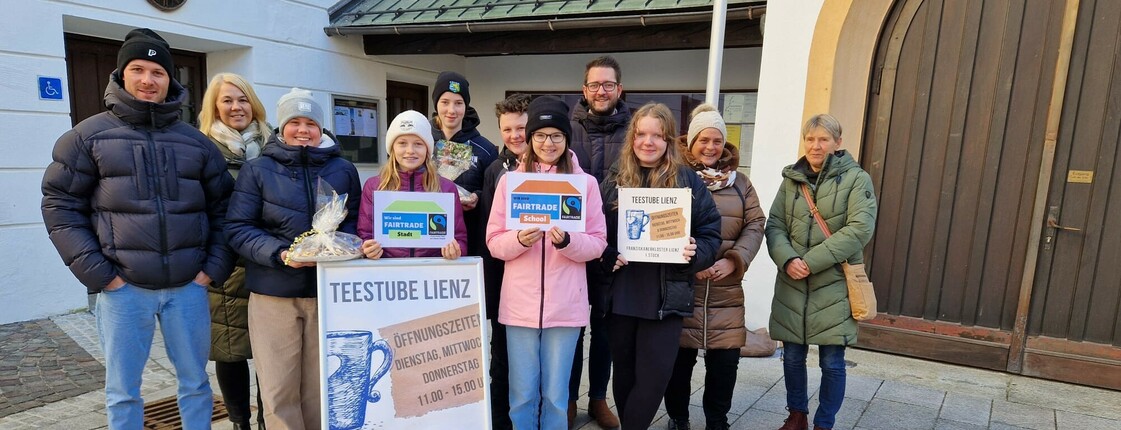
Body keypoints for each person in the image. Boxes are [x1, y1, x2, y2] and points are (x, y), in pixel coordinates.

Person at [41, 28, 236, 430]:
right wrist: (102, 276)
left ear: (170, 80)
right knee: (123, 390)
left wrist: (210, 270)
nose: (148, 80)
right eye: (138, 69)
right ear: (122, 74)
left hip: (188, 289)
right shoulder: (86, 137)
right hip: (123, 291)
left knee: (196, 382)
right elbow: (61, 207)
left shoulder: (196, 144)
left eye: (157, 72)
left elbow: (224, 210)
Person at [225, 87, 361, 429]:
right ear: (281, 127)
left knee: (321, 388)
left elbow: (358, 221)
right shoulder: (257, 170)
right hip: (274, 295)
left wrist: (348, 247)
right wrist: (281, 253)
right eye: (294, 122)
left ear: (321, 128)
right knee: (278, 391)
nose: (303, 130)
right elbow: (238, 228)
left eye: (311, 123)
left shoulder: (343, 169)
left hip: (327, 295)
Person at [486, 96, 608, 430]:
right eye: (540, 135)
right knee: (522, 393)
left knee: (556, 396)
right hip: (520, 304)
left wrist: (568, 241)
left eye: (556, 135)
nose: (548, 142)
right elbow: (494, 241)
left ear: (566, 139)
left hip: (566, 306)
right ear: (530, 139)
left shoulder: (585, 185)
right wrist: (518, 240)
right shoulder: (510, 182)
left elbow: (598, 243)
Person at [599, 102, 721, 429]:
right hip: (622, 295)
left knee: (654, 378)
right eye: (641, 134)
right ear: (632, 137)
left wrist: (697, 252)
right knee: (624, 375)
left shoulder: (687, 181)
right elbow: (594, 232)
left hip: (665, 297)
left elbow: (711, 232)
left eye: (657, 135)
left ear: (669, 140)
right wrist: (606, 254)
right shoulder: (614, 177)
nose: (648, 142)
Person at [767, 114, 877, 430]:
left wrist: (809, 262)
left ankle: (823, 422)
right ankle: (797, 415)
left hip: (834, 283)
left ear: (837, 143)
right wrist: (788, 259)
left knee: (831, 361)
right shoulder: (791, 180)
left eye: (823, 139)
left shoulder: (857, 180)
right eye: (810, 139)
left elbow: (859, 229)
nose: (816, 146)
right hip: (793, 282)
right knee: (791, 356)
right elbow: (774, 225)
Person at [662, 105, 766, 430]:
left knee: (725, 364)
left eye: (717, 140)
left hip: (726, 288)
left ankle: (717, 421)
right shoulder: (672, 176)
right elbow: (661, 223)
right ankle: (678, 418)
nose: (710, 147)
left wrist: (733, 260)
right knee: (678, 363)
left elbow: (756, 223)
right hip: (683, 285)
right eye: (703, 139)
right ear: (691, 142)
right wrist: (695, 261)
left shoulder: (740, 183)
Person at [198, 72, 270, 430]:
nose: (236, 107)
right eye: (226, 100)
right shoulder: (203, 148)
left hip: (268, 259)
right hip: (226, 263)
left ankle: (266, 421)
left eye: (242, 99)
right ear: (215, 107)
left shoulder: (272, 143)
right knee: (231, 350)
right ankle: (241, 422)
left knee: (270, 353)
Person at [567, 55, 632, 429]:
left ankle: (597, 399)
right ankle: (569, 398)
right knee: (572, 327)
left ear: (619, 89)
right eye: (594, 84)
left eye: (608, 84)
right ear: (584, 89)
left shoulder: (633, 131)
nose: (601, 91)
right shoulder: (567, 128)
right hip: (572, 246)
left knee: (605, 326)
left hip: (615, 249)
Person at [479, 93, 532, 430]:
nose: (515, 136)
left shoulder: (557, 170)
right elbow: (490, 231)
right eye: (507, 129)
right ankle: (500, 421)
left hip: (542, 283)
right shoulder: (495, 170)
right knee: (501, 360)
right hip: (503, 280)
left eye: (522, 128)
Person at [358, 110, 467, 260]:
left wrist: (456, 250)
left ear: (427, 149)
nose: (410, 151)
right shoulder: (375, 186)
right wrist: (367, 249)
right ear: (392, 148)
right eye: (402, 143)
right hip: (387, 273)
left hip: (432, 273)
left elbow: (459, 237)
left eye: (418, 144)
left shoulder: (447, 188)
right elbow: (365, 234)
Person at [430, 71, 498, 259]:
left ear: (466, 106)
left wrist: (478, 196)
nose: (451, 110)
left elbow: (495, 194)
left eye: (458, 103)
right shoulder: (421, 143)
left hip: (469, 239)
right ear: (436, 104)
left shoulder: (485, 149)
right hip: (426, 239)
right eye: (445, 102)